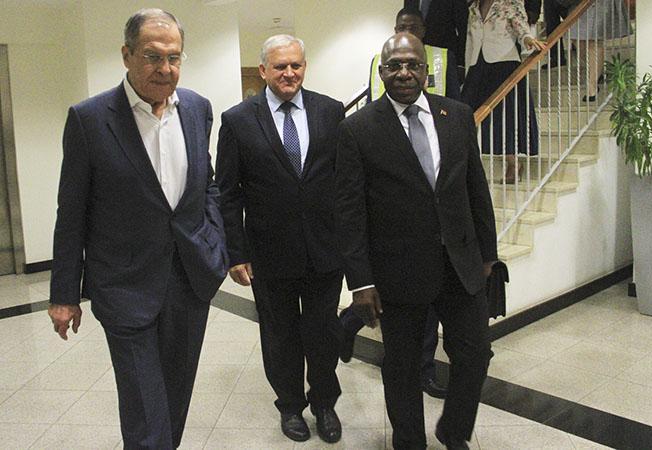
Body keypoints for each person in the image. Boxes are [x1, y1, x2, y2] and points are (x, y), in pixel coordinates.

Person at [48, 8, 228, 449]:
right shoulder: (90, 119)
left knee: (174, 400)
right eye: (152, 56)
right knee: (146, 413)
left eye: (174, 57)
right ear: (127, 55)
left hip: (189, 279)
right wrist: (64, 293)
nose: (165, 68)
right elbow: (71, 211)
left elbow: (206, 184)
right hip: (124, 286)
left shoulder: (197, 109)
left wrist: (214, 241)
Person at [335, 32, 498, 450]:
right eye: (395, 65)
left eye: (412, 65)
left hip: (459, 263)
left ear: (426, 70)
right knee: (403, 366)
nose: (404, 73)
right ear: (382, 71)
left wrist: (488, 254)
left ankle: (453, 431)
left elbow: (475, 188)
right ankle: (409, 442)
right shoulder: (357, 129)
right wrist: (361, 281)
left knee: (476, 353)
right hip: (398, 270)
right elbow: (350, 212)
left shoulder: (457, 115)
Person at [215, 34, 344, 444]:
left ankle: (324, 403)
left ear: (305, 66)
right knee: (280, 335)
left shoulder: (331, 111)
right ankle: (290, 406)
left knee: (323, 333)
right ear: (263, 70)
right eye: (280, 66)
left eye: (296, 65)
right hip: (268, 253)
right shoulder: (238, 120)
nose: (289, 73)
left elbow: (344, 180)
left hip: (325, 249)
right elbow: (228, 193)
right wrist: (235, 252)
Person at [462, 0, 546, 184]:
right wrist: (468, 68)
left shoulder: (509, 2)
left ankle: (513, 163)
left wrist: (528, 39)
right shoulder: (473, 7)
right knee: (466, 114)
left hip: (504, 62)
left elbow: (520, 25)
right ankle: (466, 164)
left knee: (506, 116)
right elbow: (470, 40)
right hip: (478, 64)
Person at [367, 7, 461, 102]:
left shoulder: (444, 57)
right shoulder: (379, 60)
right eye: (402, 28)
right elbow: (370, 102)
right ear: (396, 31)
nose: (408, 33)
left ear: (423, 31)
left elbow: (454, 101)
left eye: (414, 28)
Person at [568, 0, 630, 102]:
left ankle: (592, 86)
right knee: (576, 38)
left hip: (601, 4)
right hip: (579, 4)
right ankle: (598, 71)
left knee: (595, 40)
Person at [404, 0, 469, 82]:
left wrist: (460, 64)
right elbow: (406, 18)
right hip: (414, 55)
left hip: (443, 57)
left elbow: (463, 30)